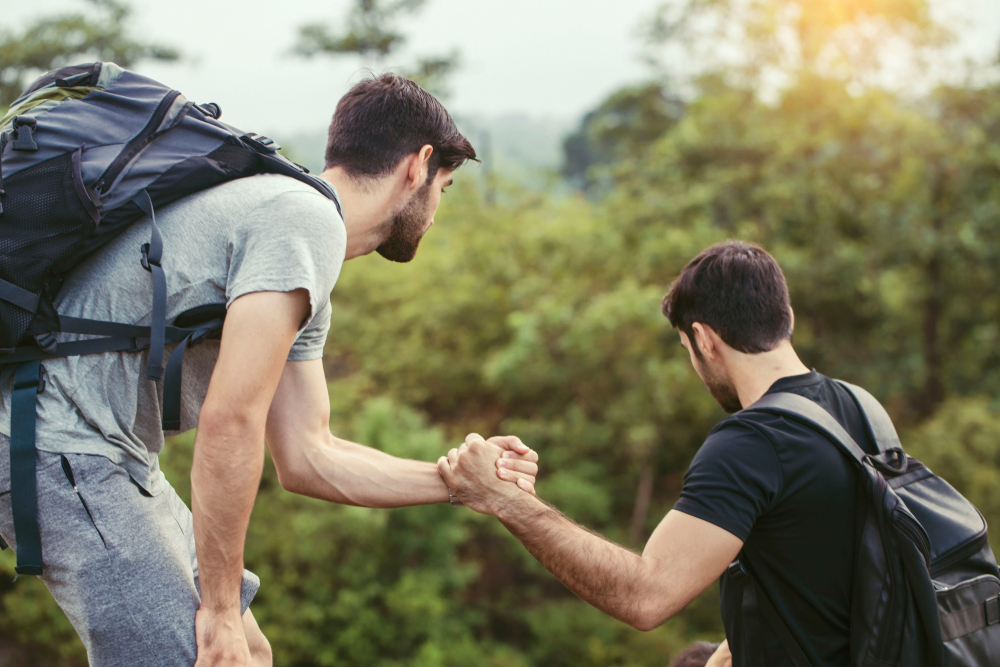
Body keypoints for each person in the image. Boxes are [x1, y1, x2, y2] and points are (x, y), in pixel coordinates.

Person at [0, 73, 538, 667]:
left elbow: (309, 456)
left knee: (250, 655)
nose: (437, 212)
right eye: (447, 188)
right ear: (418, 166)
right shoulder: (300, 222)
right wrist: (220, 612)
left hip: (111, 455)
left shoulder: (296, 233)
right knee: (202, 654)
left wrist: (461, 481)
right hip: (57, 445)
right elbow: (230, 422)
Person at [440, 240, 883, 667]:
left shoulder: (752, 443)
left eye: (688, 350)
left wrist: (507, 500)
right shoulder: (862, 409)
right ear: (785, 316)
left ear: (705, 340)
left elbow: (645, 597)